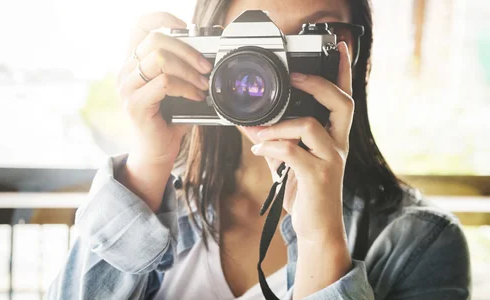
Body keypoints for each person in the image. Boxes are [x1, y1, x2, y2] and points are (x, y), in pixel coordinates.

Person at [47, 0, 471, 299]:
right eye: (255, 48)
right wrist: (148, 167)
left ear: (354, 54)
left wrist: (322, 239)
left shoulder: (420, 244)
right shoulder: (164, 198)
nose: (274, 74)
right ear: (206, 60)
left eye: (312, 36)